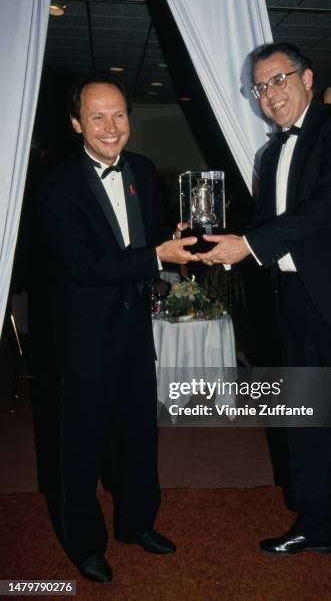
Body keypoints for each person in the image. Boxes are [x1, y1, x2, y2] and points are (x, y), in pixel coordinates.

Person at [198, 43, 331, 585]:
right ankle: (316, 524)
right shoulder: (268, 157)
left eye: (279, 79)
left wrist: (248, 242)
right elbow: (272, 224)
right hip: (295, 303)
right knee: (306, 424)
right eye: (260, 87)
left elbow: (329, 206)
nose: (270, 94)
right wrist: (209, 237)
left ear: (308, 78)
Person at [38, 72, 198, 583]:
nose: (111, 127)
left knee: (137, 437)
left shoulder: (144, 170)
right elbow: (84, 265)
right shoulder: (56, 184)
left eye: (119, 114)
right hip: (81, 338)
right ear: (76, 124)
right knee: (80, 447)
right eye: (97, 116)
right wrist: (155, 254)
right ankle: (84, 544)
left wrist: (171, 241)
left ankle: (137, 524)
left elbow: (145, 244)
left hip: (134, 332)